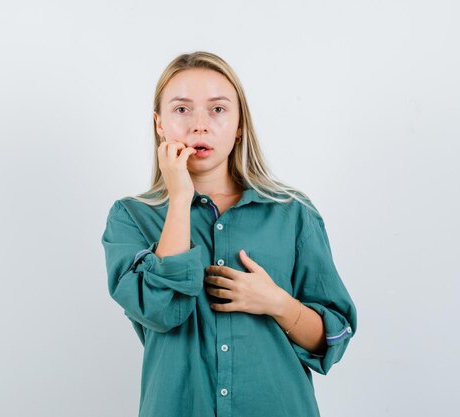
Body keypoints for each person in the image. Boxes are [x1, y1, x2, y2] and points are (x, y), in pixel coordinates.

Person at [100, 51, 357, 417]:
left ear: (239, 125)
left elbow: (334, 339)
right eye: (182, 109)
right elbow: (161, 311)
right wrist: (179, 198)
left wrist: (277, 303)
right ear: (160, 124)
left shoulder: (293, 213)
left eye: (217, 109)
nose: (199, 126)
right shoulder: (130, 217)